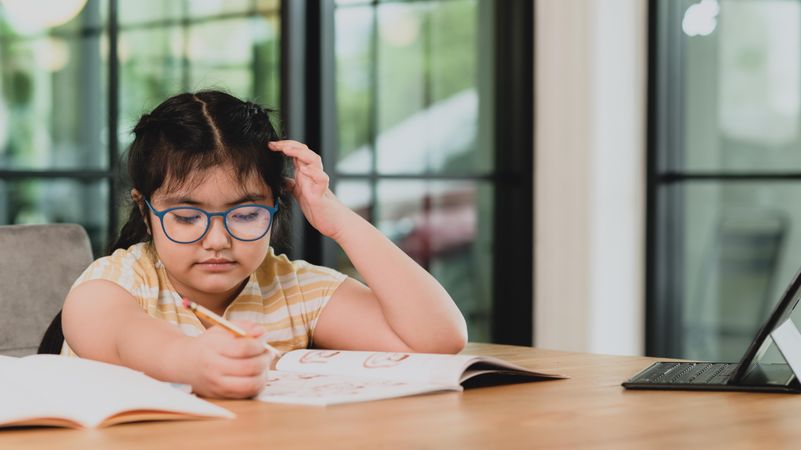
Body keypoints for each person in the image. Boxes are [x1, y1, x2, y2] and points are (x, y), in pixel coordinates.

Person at [61, 90, 467, 399]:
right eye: (186, 218)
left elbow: (437, 339)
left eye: (245, 215)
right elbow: (120, 334)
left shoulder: (291, 289)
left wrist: (338, 219)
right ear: (145, 212)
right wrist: (193, 361)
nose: (217, 241)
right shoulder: (117, 281)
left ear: (277, 206)